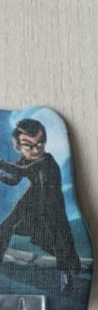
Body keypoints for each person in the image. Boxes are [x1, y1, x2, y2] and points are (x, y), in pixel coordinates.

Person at [0, 118, 80, 294]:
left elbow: (21, 171)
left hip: (51, 202)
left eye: (40, 143)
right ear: (18, 147)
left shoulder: (46, 161)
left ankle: (66, 276)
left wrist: (1, 164)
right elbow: (14, 180)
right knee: (6, 226)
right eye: (28, 146)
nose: (36, 150)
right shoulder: (24, 160)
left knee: (57, 238)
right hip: (33, 195)